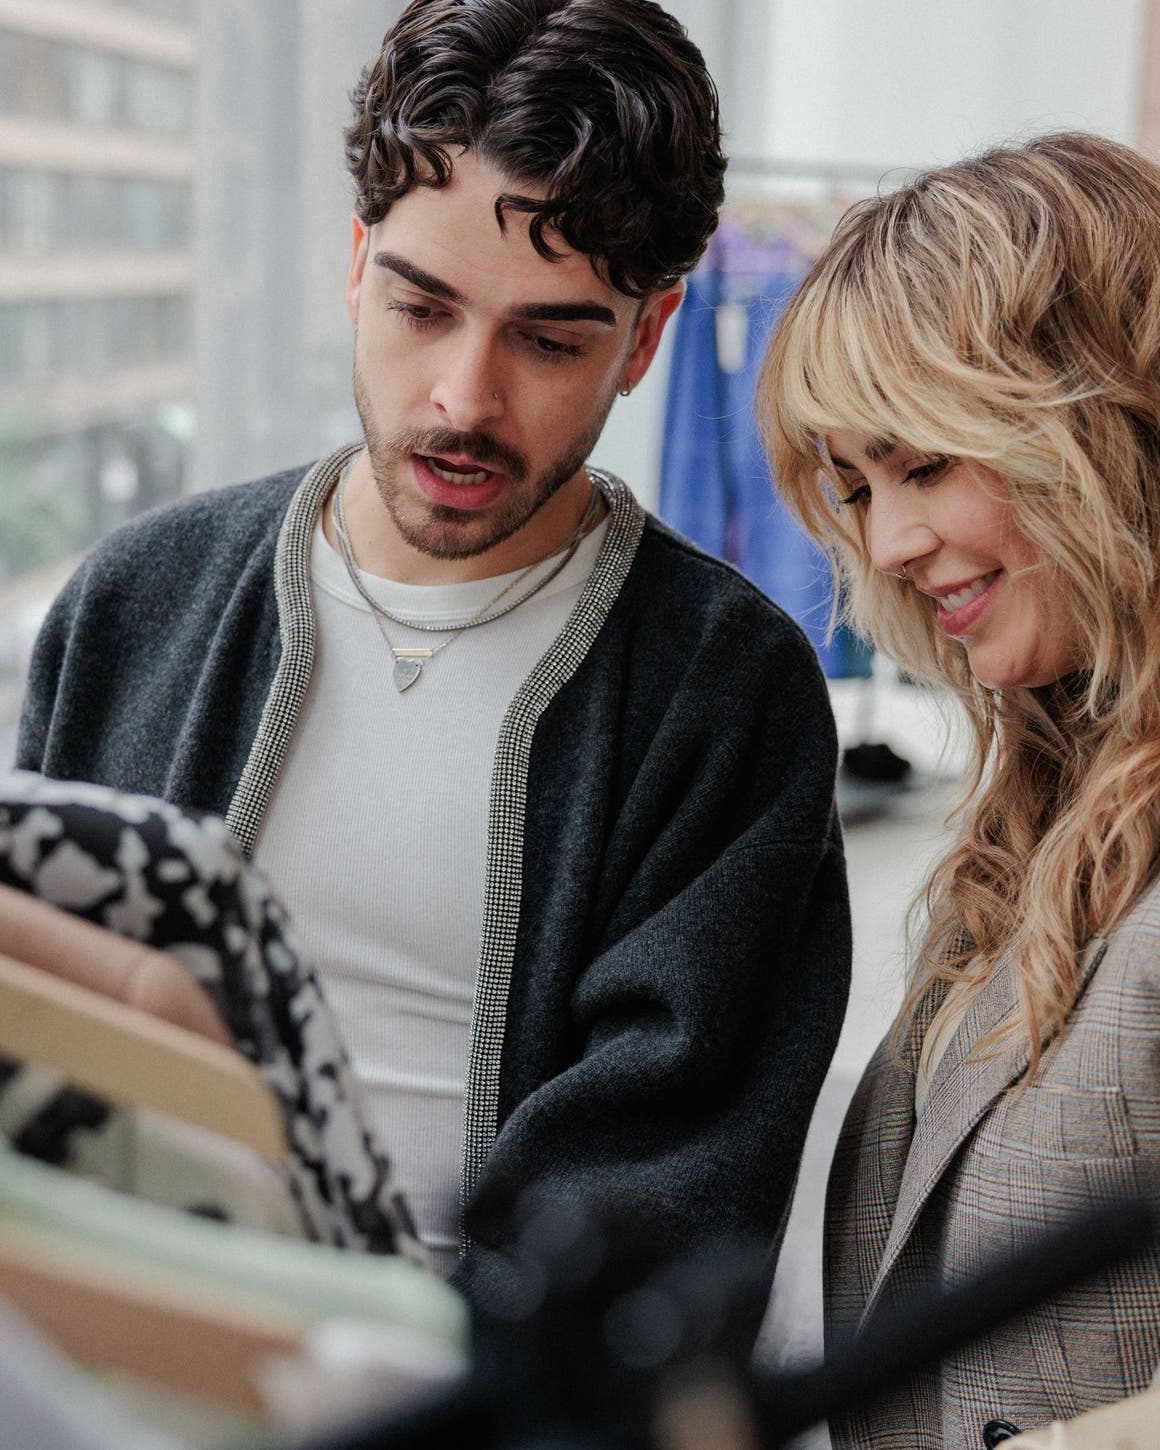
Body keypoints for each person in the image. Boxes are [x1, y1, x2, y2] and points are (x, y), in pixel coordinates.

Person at [17, 0, 850, 1319]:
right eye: (422, 305)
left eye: (549, 337)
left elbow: (669, 1198)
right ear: (357, 265)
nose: (465, 397)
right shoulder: (141, 598)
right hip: (105, 1350)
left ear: (647, 336)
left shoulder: (727, 695)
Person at [758, 130, 1160, 1445]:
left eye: (924, 464)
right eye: (858, 486)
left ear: (1092, 420)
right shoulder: (1041, 808)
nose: (889, 541)